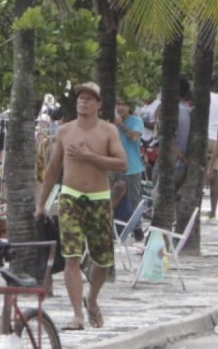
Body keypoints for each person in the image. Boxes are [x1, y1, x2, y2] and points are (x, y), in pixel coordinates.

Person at [36, 82, 126, 331]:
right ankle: (77, 314)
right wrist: (41, 203)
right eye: (80, 98)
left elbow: (122, 164)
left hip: (98, 198)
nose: (83, 102)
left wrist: (90, 157)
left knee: (103, 259)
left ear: (98, 105)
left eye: (89, 99)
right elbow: (53, 168)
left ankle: (92, 299)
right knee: (71, 256)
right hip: (70, 197)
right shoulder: (64, 131)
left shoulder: (108, 131)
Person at [113, 99, 146, 233]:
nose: (120, 107)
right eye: (118, 104)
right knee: (114, 199)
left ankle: (137, 230)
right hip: (114, 167)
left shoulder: (136, 121)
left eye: (123, 104)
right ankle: (117, 229)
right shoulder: (111, 123)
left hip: (132, 168)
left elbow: (134, 138)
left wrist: (121, 126)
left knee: (134, 201)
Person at [206, 89, 218, 218]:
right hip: (217, 138)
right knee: (215, 175)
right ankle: (213, 211)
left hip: (205, 136)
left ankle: (196, 208)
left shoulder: (202, 95)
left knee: (202, 174)